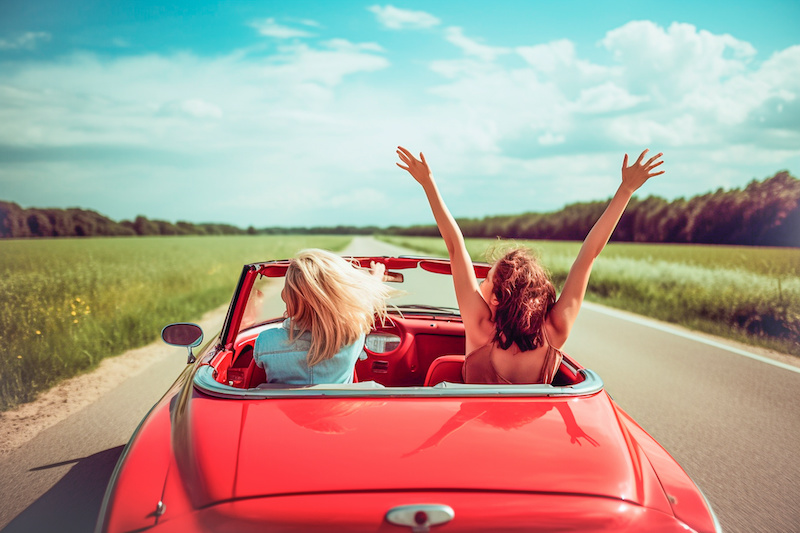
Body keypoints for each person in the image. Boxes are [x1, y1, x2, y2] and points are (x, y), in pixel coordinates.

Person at [396, 146, 664, 384]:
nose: (480, 283)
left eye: (486, 279)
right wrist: (626, 190)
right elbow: (589, 255)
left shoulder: (479, 329)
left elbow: (455, 246)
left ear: (500, 299)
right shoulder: (555, 330)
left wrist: (427, 183)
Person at [253, 249, 392, 385]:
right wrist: (376, 279)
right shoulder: (353, 334)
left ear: (289, 296)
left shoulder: (265, 341)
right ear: (337, 295)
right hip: (338, 408)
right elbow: (366, 303)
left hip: (281, 409)